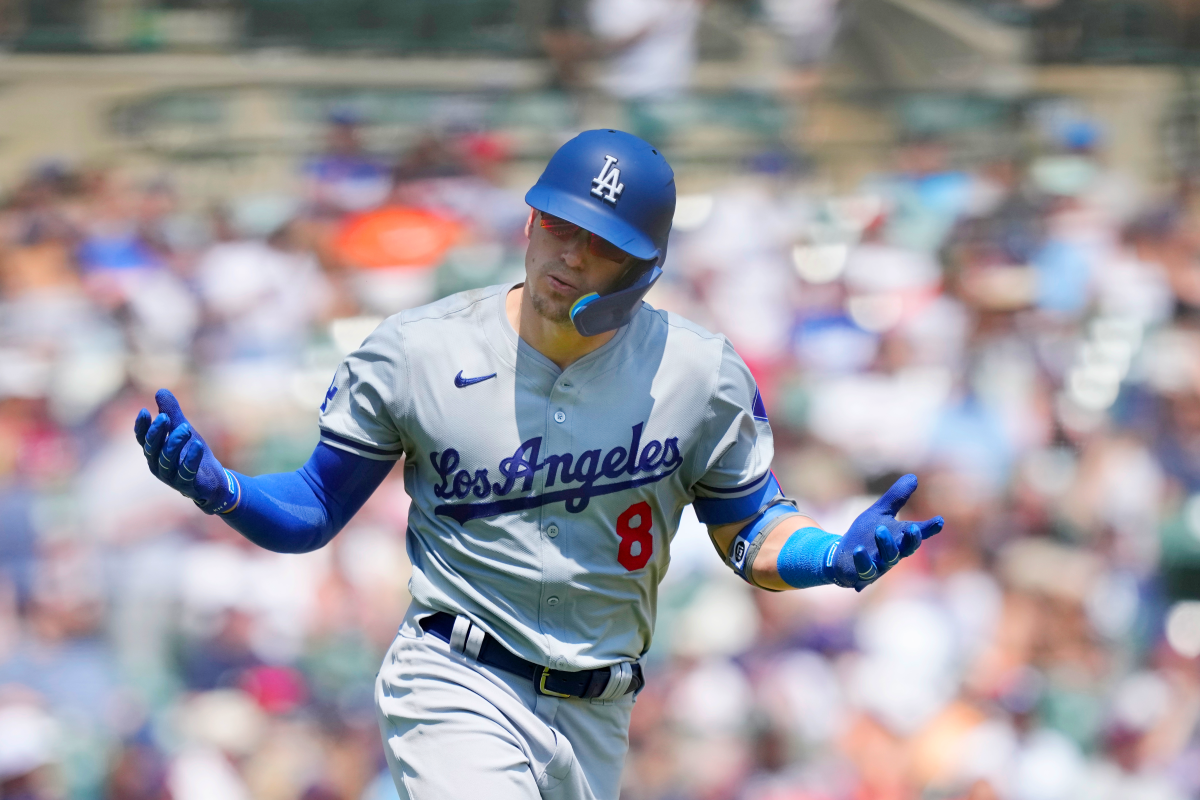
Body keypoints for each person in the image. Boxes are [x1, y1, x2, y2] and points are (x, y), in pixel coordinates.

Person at [133, 129, 944, 800]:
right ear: (528, 223)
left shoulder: (699, 375)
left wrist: (827, 556)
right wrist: (226, 492)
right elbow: (313, 509)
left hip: (601, 709)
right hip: (457, 676)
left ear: (644, 269)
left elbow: (750, 532)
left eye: (603, 246)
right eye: (560, 226)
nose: (571, 256)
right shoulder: (418, 352)